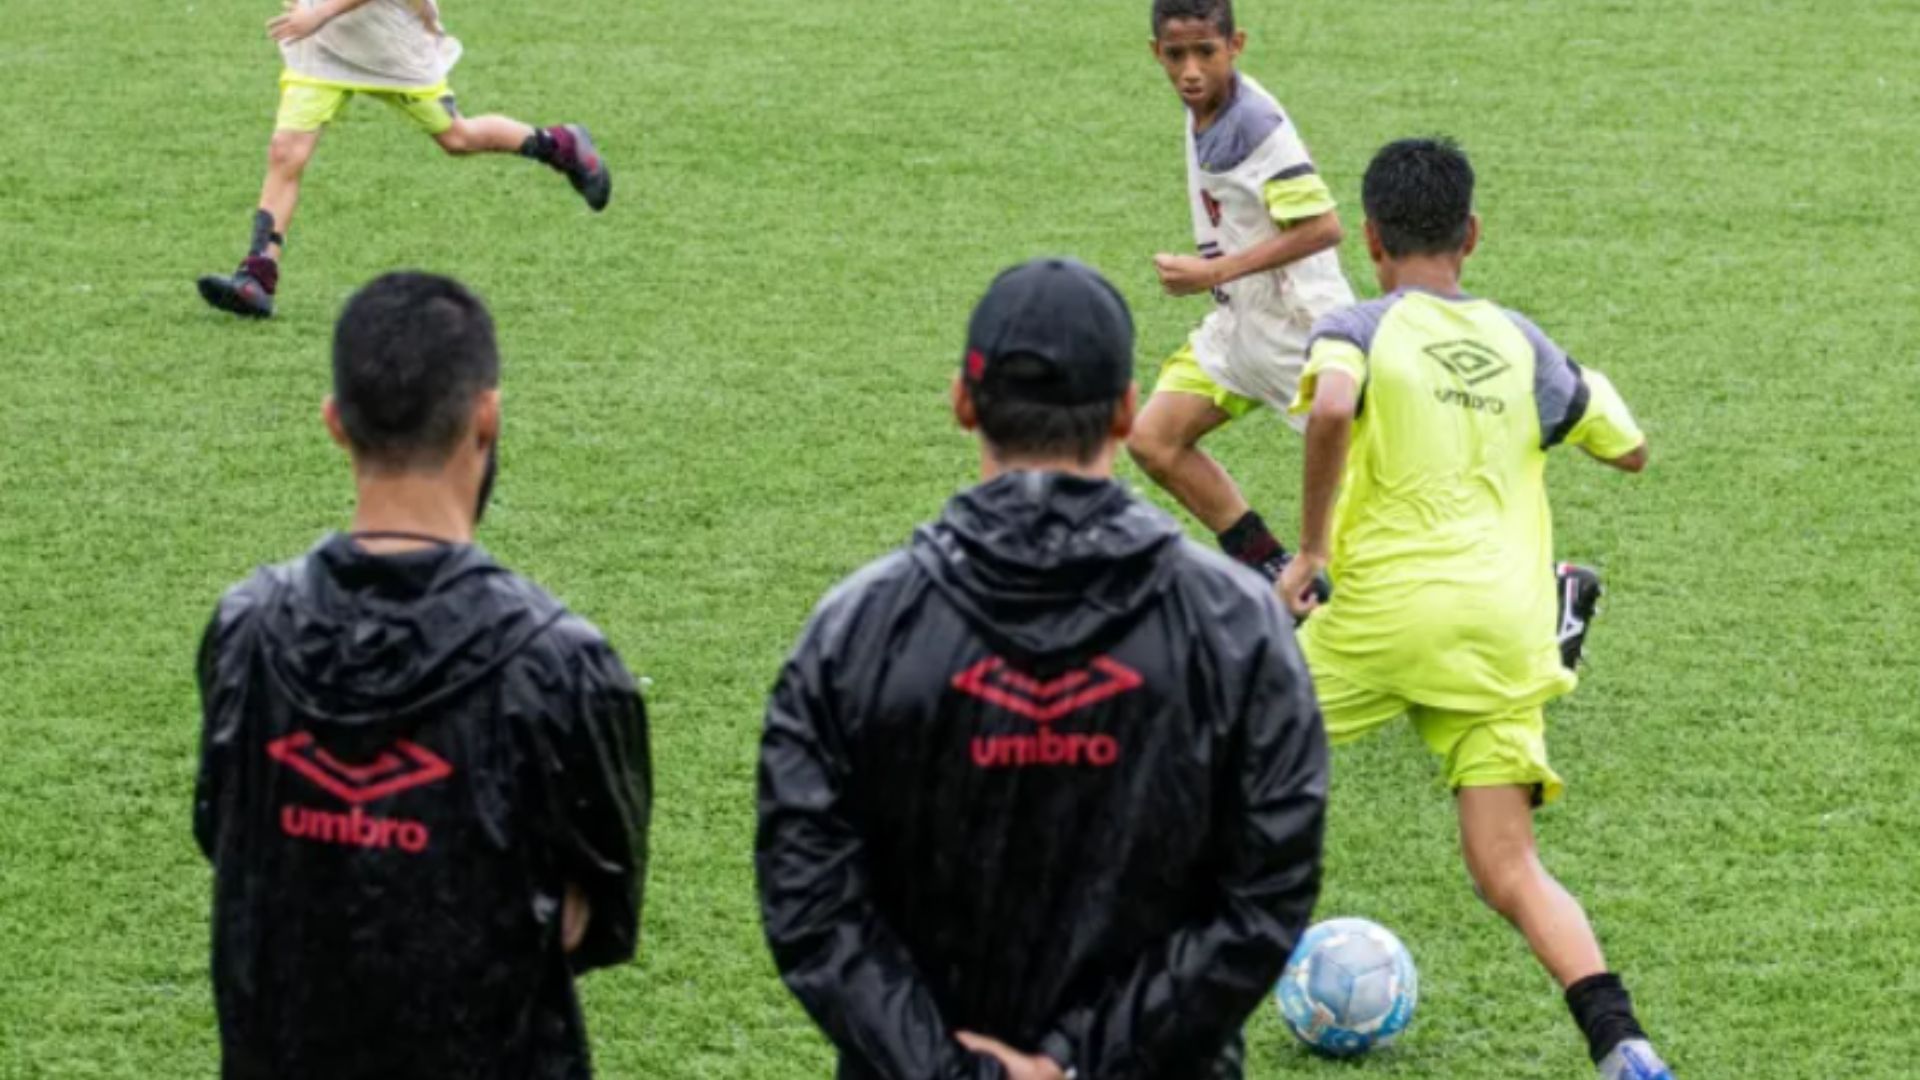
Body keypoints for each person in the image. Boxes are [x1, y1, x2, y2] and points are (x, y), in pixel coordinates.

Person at [756, 257, 1329, 1080]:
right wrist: (1083, 1065)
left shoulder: (855, 630)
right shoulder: (1239, 628)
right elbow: (1266, 895)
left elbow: (809, 902)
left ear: (963, 401)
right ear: (1129, 410)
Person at [1278, 138, 1672, 1080]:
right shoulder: (1522, 341)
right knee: (1509, 868)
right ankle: (1625, 1047)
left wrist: (1312, 548)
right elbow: (1630, 452)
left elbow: (1331, 408)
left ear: (1370, 238)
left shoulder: (1360, 324)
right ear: (1474, 236)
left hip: (1382, 621)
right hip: (1503, 626)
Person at [193, 272, 650, 1078]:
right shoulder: (564, 664)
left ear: (336, 424)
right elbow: (593, 916)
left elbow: (225, 834)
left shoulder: (246, 629)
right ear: (487, 416)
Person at [1126, 0, 1354, 585]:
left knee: (1379, 499)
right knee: (1154, 440)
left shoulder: (1256, 128)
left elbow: (1324, 226)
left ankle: (1548, 586)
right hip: (1238, 327)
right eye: (1175, 55)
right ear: (1156, 52)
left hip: (1300, 329)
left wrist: (1212, 273)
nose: (1190, 71)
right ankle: (1271, 570)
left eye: (1206, 52)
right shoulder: (1203, 104)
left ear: (1236, 46)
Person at [196, 0, 612, 319]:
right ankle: (257, 275)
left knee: (456, 136)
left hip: (385, 38)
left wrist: (319, 12)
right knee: (286, 151)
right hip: (319, 44)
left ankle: (561, 145)